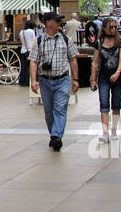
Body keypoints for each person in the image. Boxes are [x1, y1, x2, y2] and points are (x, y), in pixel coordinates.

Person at [29, 11, 80, 151]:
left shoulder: (65, 39)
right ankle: (54, 133)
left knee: (60, 109)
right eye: (57, 20)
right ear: (49, 23)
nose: (60, 23)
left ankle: (57, 136)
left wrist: (75, 79)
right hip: (45, 80)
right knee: (49, 112)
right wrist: (34, 80)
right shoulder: (39, 41)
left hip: (62, 79)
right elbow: (33, 61)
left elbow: (73, 59)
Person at [93, 18, 121, 142]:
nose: (114, 29)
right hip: (103, 77)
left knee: (116, 103)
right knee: (104, 104)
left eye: (115, 27)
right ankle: (105, 132)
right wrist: (93, 79)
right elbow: (95, 61)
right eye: (111, 27)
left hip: (117, 77)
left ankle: (114, 130)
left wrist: (118, 73)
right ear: (105, 28)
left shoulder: (120, 41)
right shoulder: (99, 42)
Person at [18, 18, 37, 87]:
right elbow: (33, 41)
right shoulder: (31, 31)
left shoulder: (21, 32)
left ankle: (23, 81)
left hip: (23, 51)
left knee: (24, 66)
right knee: (30, 67)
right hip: (29, 51)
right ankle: (28, 81)